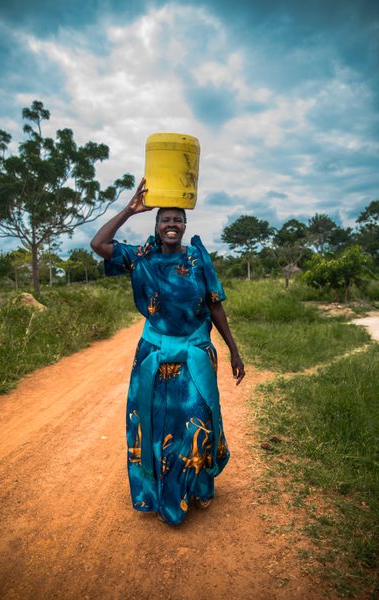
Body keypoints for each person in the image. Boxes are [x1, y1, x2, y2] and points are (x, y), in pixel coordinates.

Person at [91, 177, 245, 525]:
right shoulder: (140, 257)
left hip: (195, 352)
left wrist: (234, 350)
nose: (172, 224)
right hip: (153, 355)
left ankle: (198, 487)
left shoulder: (197, 258)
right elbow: (98, 243)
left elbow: (215, 305)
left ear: (185, 225)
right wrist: (130, 209)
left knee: (197, 423)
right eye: (165, 220)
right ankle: (160, 496)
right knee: (154, 425)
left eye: (177, 219)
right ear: (157, 226)